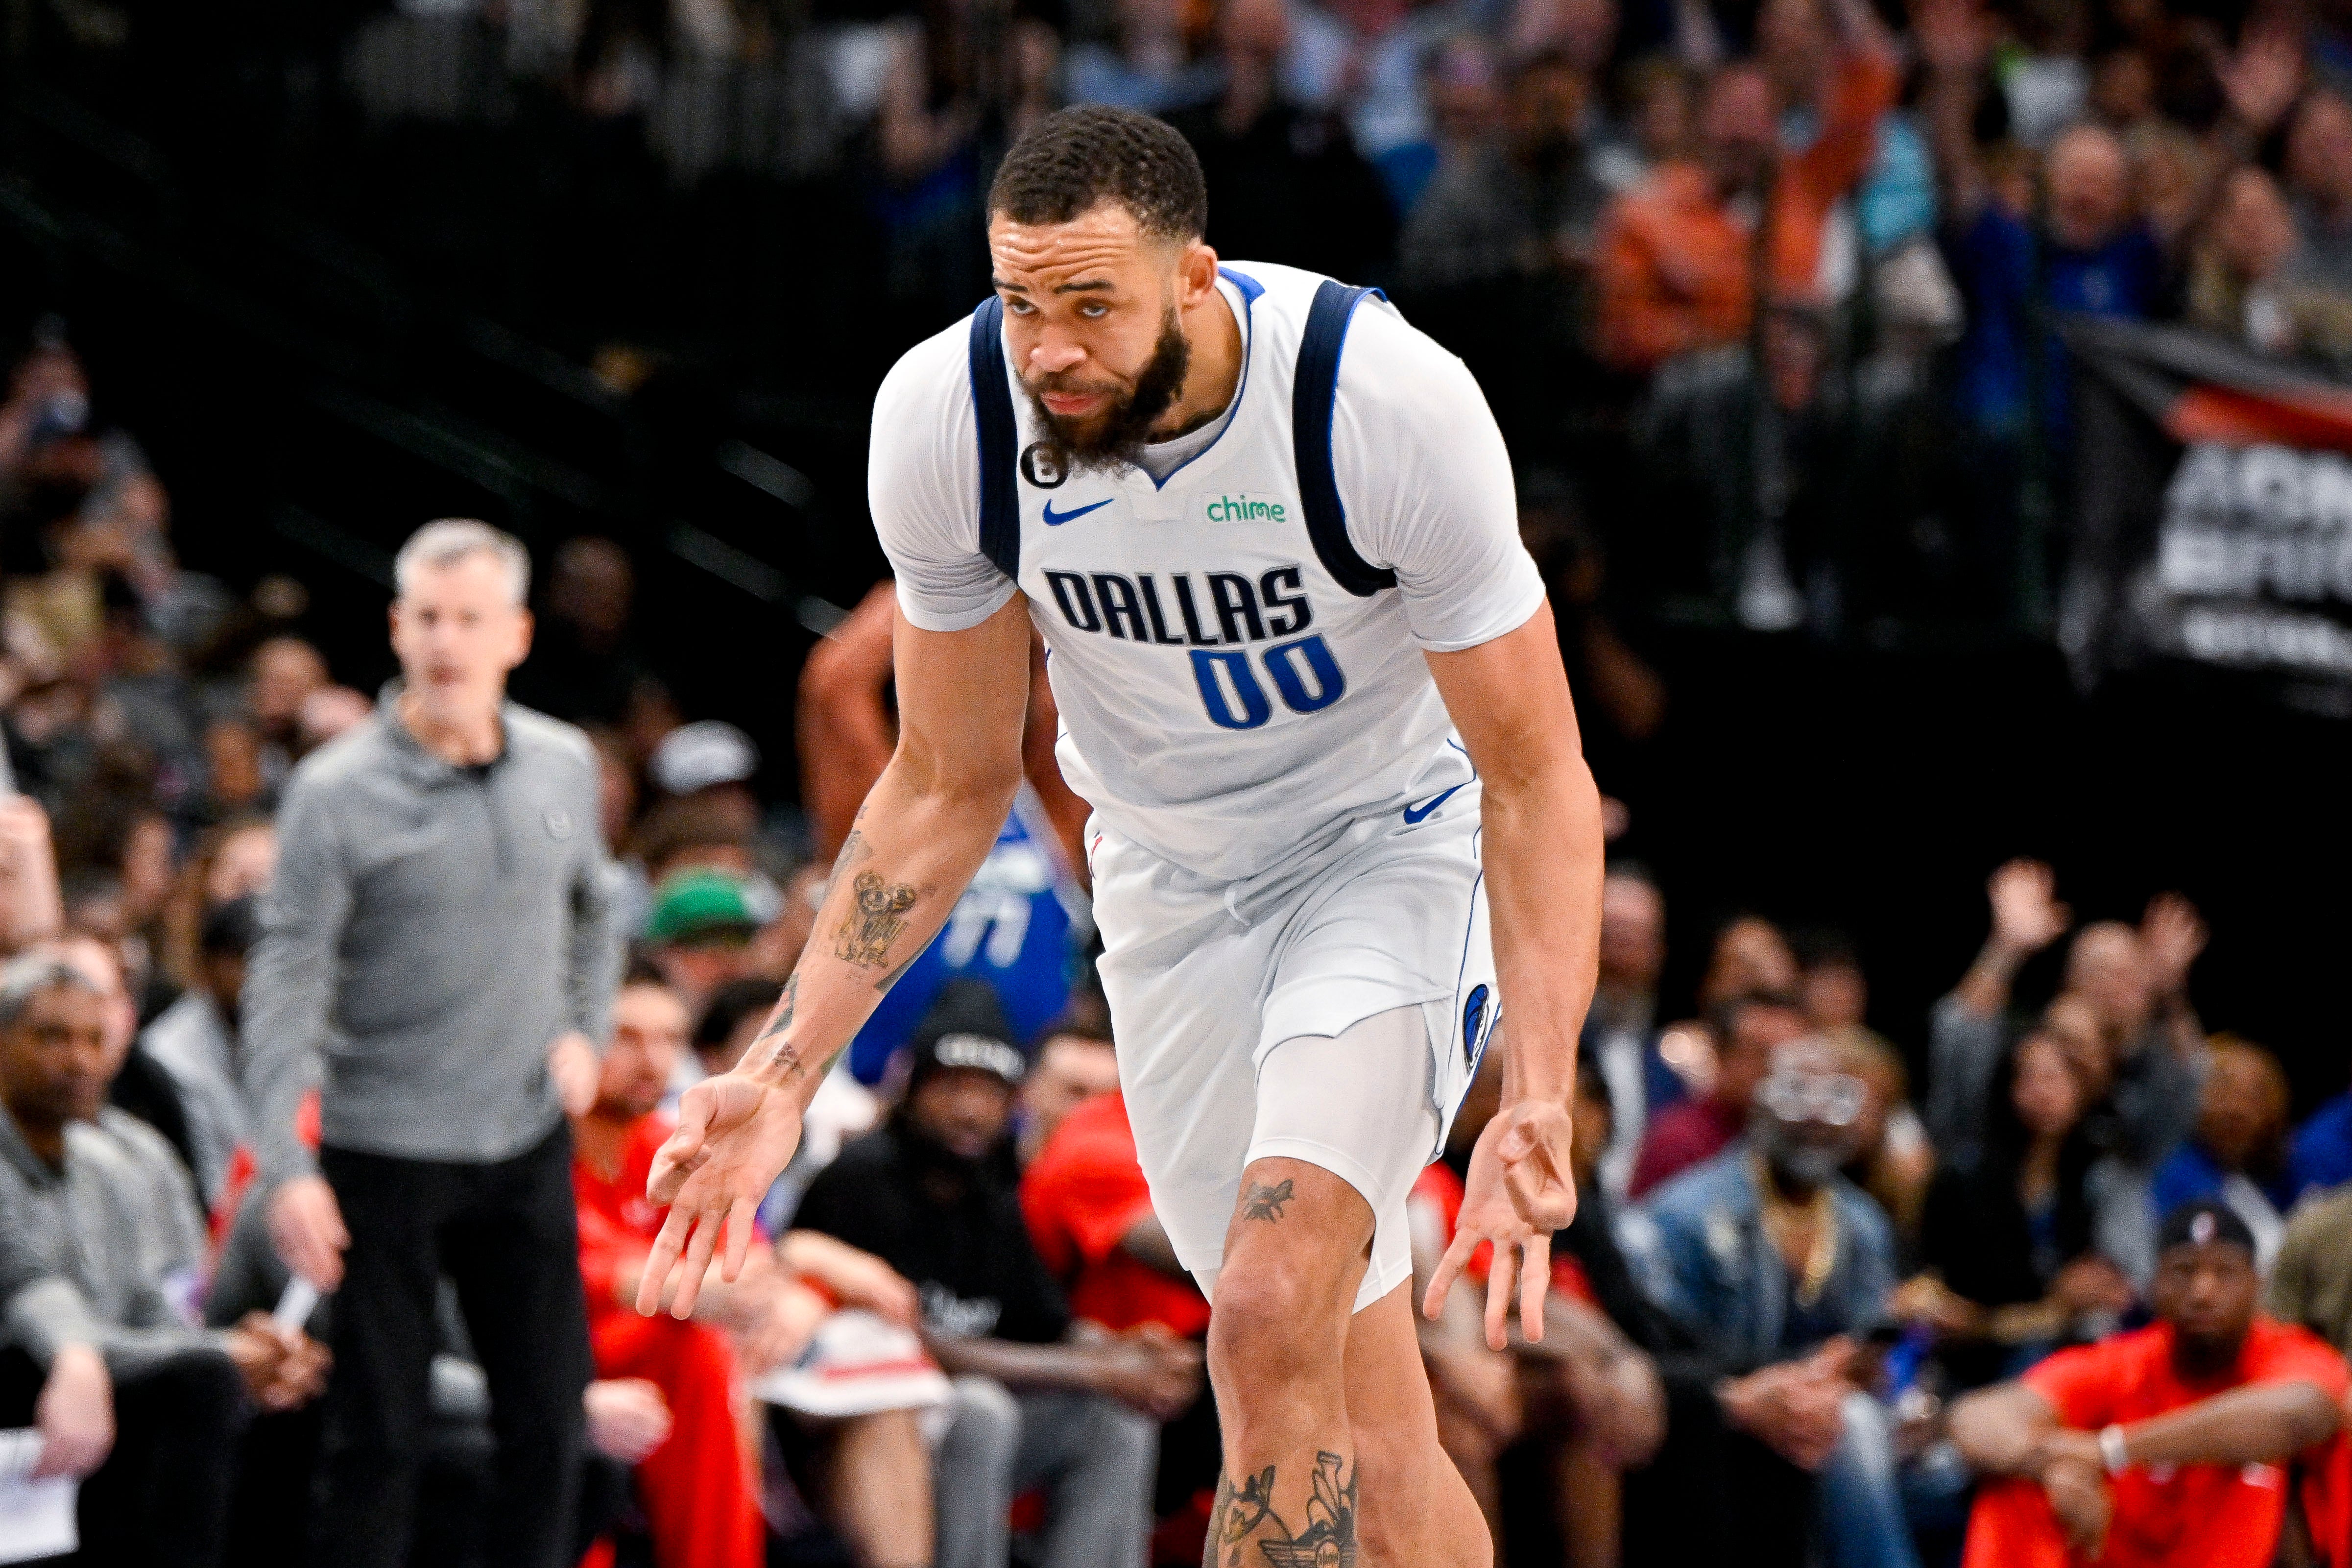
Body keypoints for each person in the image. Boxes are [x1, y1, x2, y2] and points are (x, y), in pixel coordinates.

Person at [640, 103, 1607, 1568]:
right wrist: (784, 1062)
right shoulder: (949, 418)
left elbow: (1535, 769)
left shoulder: (1379, 401)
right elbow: (947, 779)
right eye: (1022, 301)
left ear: (1194, 281)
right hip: (1163, 882)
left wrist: (1536, 1084)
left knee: (1270, 1303)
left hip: (1381, 850)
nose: (1050, 350)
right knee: (1364, 1406)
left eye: (1091, 305)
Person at [243, 517, 617, 1568]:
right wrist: (284, 1165)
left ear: (519, 634)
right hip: (383, 1151)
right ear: (398, 629)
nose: (448, 642)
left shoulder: (563, 764)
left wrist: (583, 1031)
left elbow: (599, 908)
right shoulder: (335, 791)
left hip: (523, 1140)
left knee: (551, 1423)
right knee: (379, 1438)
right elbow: (284, 981)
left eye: (472, 619)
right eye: (429, 619)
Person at [792, 1004, 1197, 1568]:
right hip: (854, 1432)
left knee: (1117, 1416)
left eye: (988, 1092)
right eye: (951, 1088)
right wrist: (1092, 1370)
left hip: (963, 1421)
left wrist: (1122, 1351)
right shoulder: (860, 1177)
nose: (968, 1110)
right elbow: (915, 1347)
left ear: (1014, 1101)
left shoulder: (995, 1187)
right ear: (910, 1091)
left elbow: (1043, 1322)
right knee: (981, 1410)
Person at [0, 955, 329, 1568]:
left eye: (95, 1040)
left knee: (291, 1397)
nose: (78, 1061)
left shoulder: (111, 1164)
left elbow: (154, 1303)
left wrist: (237, 1352)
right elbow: (32, 1299)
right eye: (52, 1037)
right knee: (197, 1382)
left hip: (105, 1395)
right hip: (25, 1400)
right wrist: (215, 1355)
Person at [1620, 1033, 1916, 1568]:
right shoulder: (1682, 1215)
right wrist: (1775, 1388)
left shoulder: (1861, 1222)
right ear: (1758, 1102)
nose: (1816, 1118)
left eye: (1835, 1099)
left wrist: (1867, 1370)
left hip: (1821, 1409)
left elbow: (1876, 1341)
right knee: (1854, 1428)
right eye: (1796, 1094)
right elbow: (1657, 1345)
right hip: (1722, 1410)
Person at [1952, 1202, 2352, 1568]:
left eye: (2225, 1272)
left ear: (2256, 1285)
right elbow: (1976, 1418)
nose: (2202, 1292)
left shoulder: (2286, 1353)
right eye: (2184, 1271)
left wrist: (2110, 1450)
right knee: (2011, 1489)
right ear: (2154, 1284)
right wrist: (2050, 1466)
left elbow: (2301, 1412)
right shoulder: (2125, 1360)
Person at [572, 968, 777, 1568]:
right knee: (695, 1341)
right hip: (544, 1350)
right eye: (627, 1037)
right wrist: (667, 1286)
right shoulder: (532, 1147)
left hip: (651, 1348)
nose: (650, 1059)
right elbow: (574, 1273)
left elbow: (752, 1270)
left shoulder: (677, 1145)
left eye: (667, 1040)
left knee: (704, 1346)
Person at [1902, 1028, 2133, 1391]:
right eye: (2029, 1078)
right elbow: (1937, 1289)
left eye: (2056, 1078)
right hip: (1970, 1356)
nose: (2043, 1092)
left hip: (2061, 1346)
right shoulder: (1964, 1175)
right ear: (2005, 1087)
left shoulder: (2098, 1176)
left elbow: (2107, 1289)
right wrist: (2048, 1311)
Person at [136, 895, 258, 1212]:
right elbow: (207, 1188)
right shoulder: (166, 1054)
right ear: (208, 965)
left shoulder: (295, 1034)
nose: (260, 977)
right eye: (244, 959)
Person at [1628, 989, 1809, 1198]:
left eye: (1791, 1056)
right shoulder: (1679, 1143)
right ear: (1721, 1057)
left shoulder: (1806, 1146)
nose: (1776, 1070)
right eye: (1761, 1054)